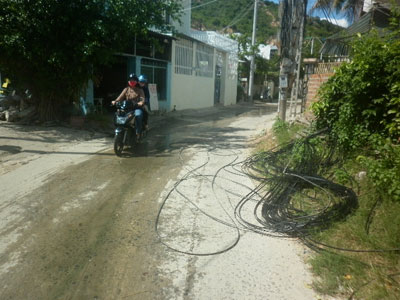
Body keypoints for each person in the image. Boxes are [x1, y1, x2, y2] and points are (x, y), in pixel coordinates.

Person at [112, 74, 145, 140]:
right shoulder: (126, 89)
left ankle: (138, 132)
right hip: (127, 108)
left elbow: (142, 98)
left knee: (138, 115)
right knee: (117, 114)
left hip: (136, 108)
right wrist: (115, 101)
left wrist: (141, 102)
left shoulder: (140, 90)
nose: (132, 81)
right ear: (128, 81)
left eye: (133, 80)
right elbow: (120, 97)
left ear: (136, 81)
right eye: (130, 80)